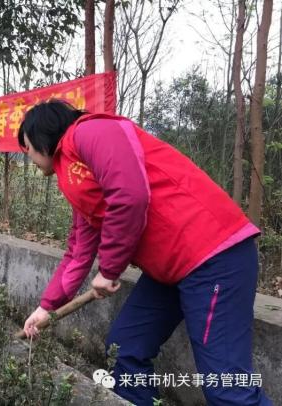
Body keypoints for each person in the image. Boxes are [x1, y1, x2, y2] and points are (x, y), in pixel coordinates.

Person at [18, 100, 271, 406]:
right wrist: (47, 308)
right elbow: (79, 251)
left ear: (39, 136)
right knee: (125, 350)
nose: (27, 155)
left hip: (212, 255)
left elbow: (130, 195)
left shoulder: (91, 131)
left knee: (226, 388)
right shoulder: (72, 173)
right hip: (170, 270)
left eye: (26, 146)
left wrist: (109, 270)